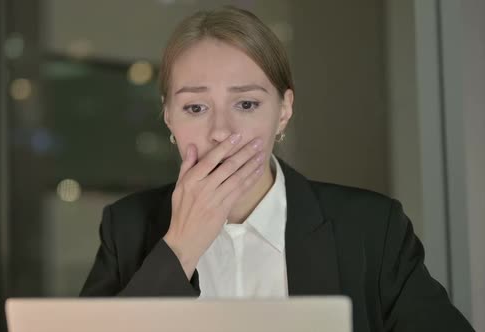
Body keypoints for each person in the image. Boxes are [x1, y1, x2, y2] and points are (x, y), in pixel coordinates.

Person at [80, 6, 474, 332]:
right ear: (169, 117)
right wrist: (179, 249)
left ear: (284, 110)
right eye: (195, 108)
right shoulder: (127, 227)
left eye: (247, 104)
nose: (221, 132)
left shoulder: (371, 229)